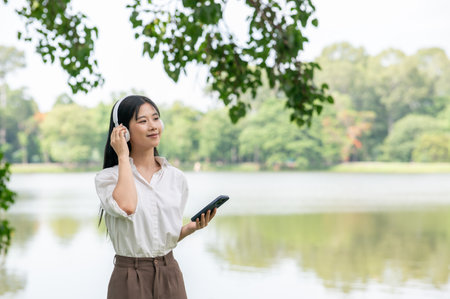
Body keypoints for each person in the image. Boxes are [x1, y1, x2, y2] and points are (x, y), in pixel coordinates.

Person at [95, 95, 216, 299]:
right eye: (142, 121)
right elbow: (127, 206)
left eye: (156, 118)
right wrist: (123, 156)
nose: (153, 126)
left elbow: (158, 236)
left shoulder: (175, 178)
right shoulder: (108, 178)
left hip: (170, 273)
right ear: (122, 132)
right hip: (129, 278)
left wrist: (189, 228)